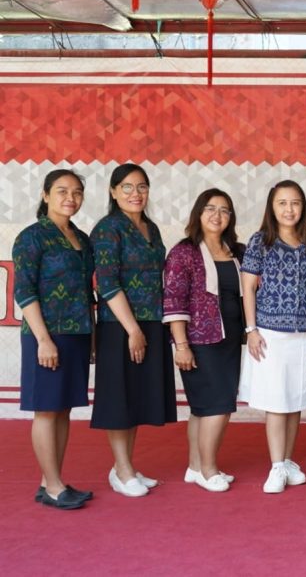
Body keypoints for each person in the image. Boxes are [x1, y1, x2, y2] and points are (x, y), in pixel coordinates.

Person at [90, 163, 177, 497]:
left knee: (137, 395)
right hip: (120, 326)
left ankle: (125, 466)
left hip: (151, 321)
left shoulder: (149, 228)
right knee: (119, 399)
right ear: (113, 192)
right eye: (126, 187)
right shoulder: (109, 228)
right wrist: (132, 330)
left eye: (141, 187)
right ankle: (122, 470)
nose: (135, 194)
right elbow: (107, 283)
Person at [14, 169, 95, 510]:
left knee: (63, 410)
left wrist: (91, 338)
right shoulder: (32, 237)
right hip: (45, 335)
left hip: (76, 333)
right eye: (62, 191)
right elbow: (24, 291)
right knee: (46, 410)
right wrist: (43, 339)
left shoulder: (82, 238)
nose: (70, 198)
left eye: (76, 192)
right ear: (46, 195)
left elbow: (87, 293)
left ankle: (52, 480)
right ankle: (53, 486)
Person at [238, 180, 306, 494]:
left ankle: (288, 460)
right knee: (276, 401)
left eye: (295, 203)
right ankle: (276, 466)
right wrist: (251, 330)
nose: (290, 209)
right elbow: (247, 288)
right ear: (272, 208)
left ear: (302, 207)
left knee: (296, 399)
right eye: (282, 203)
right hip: (271, 333)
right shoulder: (261, 241)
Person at [163, 189, 244, 493]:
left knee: (202, 408)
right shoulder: (184, 252)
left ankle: (195, 466)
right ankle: (209, 470)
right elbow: (172, 300)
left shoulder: (236, 251)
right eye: (210, 208)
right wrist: (181, 345)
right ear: (198, 213)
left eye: (224, 210)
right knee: (217, 406)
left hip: (229, 338)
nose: (217, 215)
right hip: (200, 341)